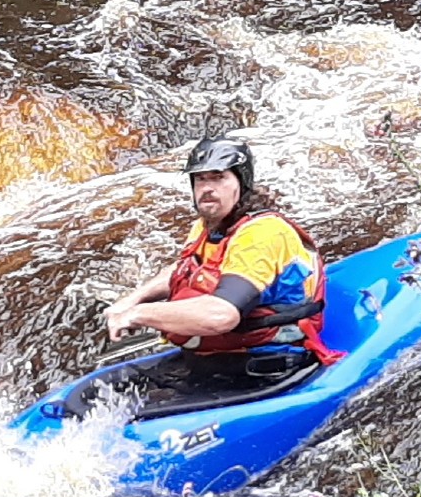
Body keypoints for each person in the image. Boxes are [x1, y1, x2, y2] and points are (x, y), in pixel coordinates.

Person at [103, 138, 340, 372]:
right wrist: (133, 299)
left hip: (268, 362)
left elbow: (222, 314)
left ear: (242, 181)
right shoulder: (207, 226)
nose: (207, 188)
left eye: (218, 177)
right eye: (200, 179)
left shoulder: (263, 233)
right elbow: (186, 270)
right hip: (217, 358)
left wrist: (138, 315)